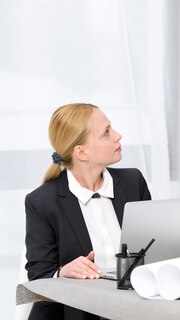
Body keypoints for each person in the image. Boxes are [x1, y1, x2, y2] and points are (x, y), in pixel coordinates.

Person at [25, 103, 152, 320]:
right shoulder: (42, 202)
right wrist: (62, 273)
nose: (118, 136)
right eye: (106, 133)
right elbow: (38, 279)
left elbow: (154, 249)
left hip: (133, 309)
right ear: (81, 152)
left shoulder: (133, 182)